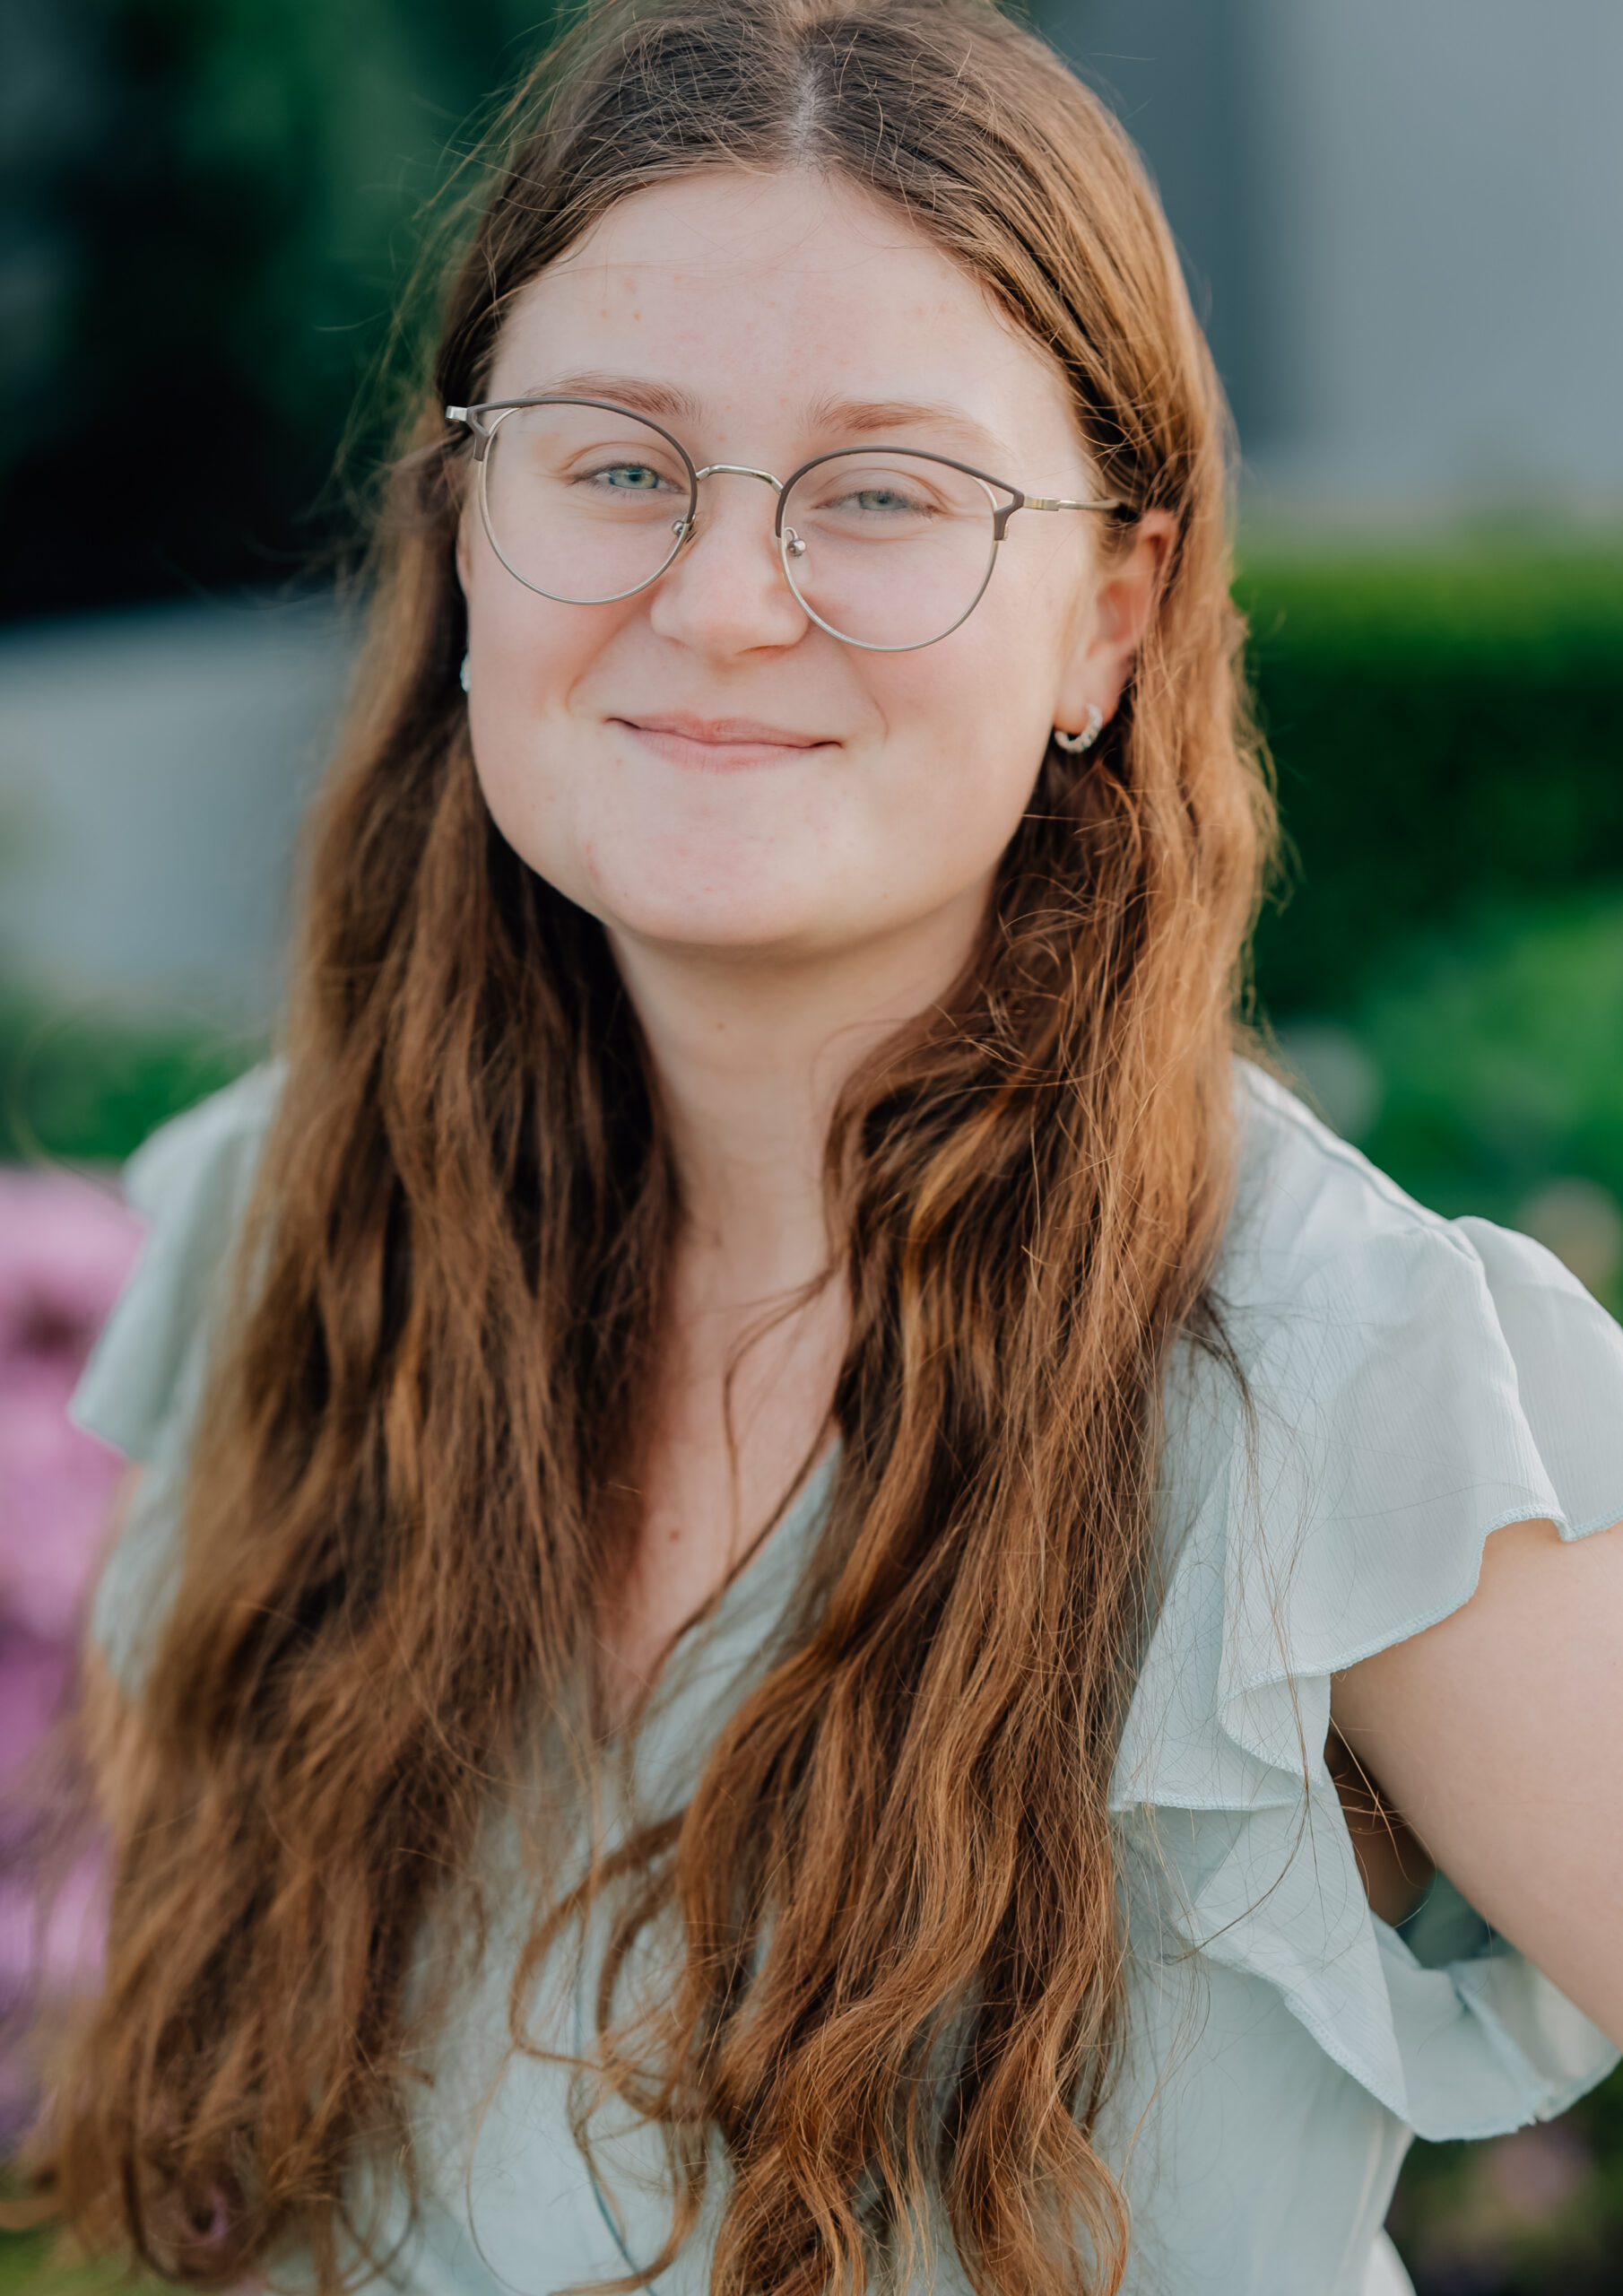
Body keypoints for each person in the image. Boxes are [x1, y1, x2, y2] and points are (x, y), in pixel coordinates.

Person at [37, 4, 1623, 2292]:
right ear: (465, 524)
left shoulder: (1328, 1372)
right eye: (609, 462)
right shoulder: (268, 1234)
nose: (717, 597)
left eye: (882, 491)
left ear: (1109, 612)